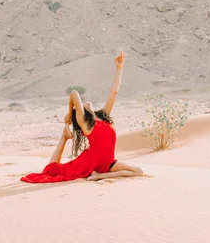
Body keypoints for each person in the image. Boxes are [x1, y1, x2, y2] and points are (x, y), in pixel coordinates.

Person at [20, 51, 144, 183]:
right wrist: (69, 112)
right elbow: (74, 93)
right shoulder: (86, 123)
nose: (85, 101)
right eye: (82, 103)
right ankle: (64, 137)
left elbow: (114, 93)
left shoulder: (103, 116)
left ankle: (99, 176)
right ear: (81, 112)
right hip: (88, 163)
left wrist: (119, 68)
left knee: (138, 171)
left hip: (108, 163)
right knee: (53, 171)